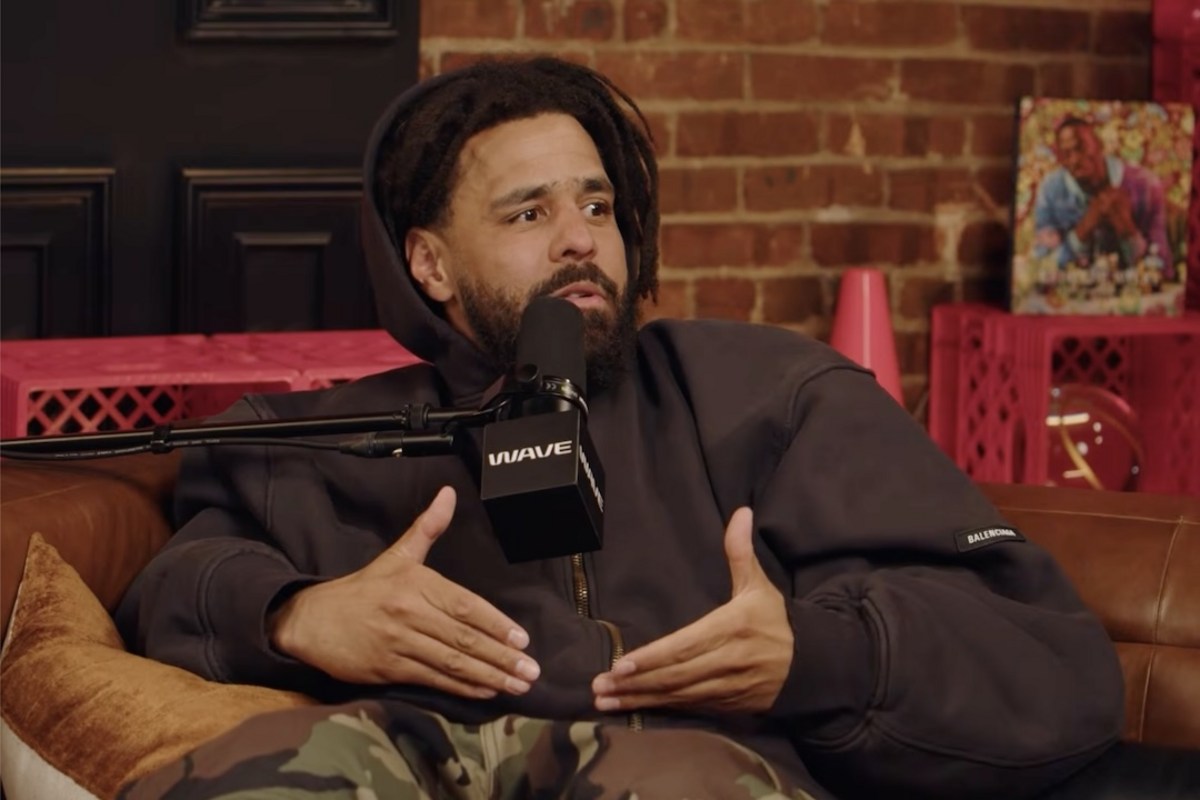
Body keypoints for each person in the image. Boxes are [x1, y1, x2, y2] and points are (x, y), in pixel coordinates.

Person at [116, 56, 1124, 799]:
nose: (580, 239)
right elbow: (168, 586)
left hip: (689, 764)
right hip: (419, 766)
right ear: (430, 265)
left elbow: (1054, 666)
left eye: (597, 207)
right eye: (528, 214)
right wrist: (295, 614)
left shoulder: (772, 393)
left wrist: (816, 656)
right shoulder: (313, 442)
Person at [1033, 116, 1171, 274]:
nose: (1075, 160)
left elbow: (1163, 266)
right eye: (1066, 154)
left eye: (1081, 148)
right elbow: (1041, 266)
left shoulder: (1144, 185)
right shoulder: (1051, 190)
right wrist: (1083, 230)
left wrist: (1128, 231)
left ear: (1099, 145)